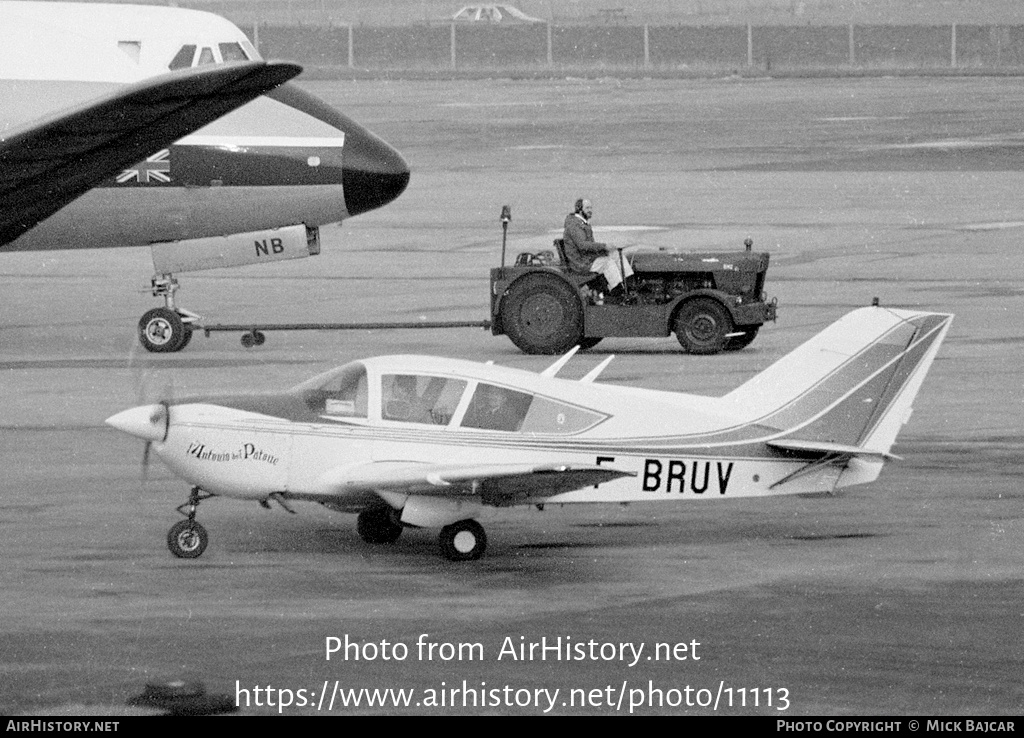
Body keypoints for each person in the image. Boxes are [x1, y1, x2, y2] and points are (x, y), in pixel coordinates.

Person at [561, 198, 634, 294]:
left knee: (615, 254)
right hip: (581, 263)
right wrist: (604, 247)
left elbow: (587, 245)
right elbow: (582, 245)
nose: (590, 210)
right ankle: (618, 291)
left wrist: (605, 250)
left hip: (587, 258)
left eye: (591, 208)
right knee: (607, 263)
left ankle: (630, 284)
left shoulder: (581, 223)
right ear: (579, 209)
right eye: (587, 208)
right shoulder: (574, 225)